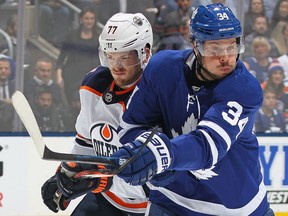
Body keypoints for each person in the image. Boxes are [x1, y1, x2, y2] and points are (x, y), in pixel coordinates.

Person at [111, 3, 273, 215]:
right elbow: (131, 126)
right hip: (169, 201)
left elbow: (207, 146)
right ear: (196, 46)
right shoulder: (162, 69)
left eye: (231, 47)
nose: (225, 57)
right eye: (214, 49)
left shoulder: (243, 89)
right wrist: (146, 148)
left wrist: (162, 154)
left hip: (235, 209)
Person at [41, 13, 153, 215]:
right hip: (107, 199)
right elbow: (86, 143)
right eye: (111, 56)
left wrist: (98, 182)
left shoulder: (159, 96)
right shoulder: (94, 85)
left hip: (150, 206)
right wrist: (67, 174)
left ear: (144, 53)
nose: (116, 66)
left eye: (124, 57)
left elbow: (153, 181)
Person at [55, 7, 101, 103]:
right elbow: (61, 58)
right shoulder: (71, 36)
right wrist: (59, 77)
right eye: (86, 18)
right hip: (72, 76)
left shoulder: (98, 38)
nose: (89, 21)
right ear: (81, 19)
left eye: (92, 18)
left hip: (90, 77)